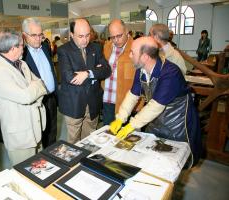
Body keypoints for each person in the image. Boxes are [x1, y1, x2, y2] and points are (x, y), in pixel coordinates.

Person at [110, 37, 201, 166]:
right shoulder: (141, 69)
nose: (130, 55)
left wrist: (132, 125)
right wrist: (120, 118)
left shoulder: (170, 73)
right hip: (155, 120)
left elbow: (155, 106)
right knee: (150, 159)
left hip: (177, 124)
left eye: (132, 52)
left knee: (172, 163)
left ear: (145, 57)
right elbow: (133, 95)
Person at [0, 29, 47, 165]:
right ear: (13, 48)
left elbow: (41, 84)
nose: (23, 49)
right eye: (22, 46)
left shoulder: (21, 63)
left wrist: (34, 89)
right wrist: (34, 88)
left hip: (35, 126)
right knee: (25, 174)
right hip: (20, 135)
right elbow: (26, 96)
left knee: (40, 169)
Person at [57, 18, 111, 144]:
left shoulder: (96, 48)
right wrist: (95, 72)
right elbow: (70, 77)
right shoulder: (64, 51)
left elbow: (107, 70)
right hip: (74, 103)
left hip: (92, 102)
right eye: (81, 36)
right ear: (71, 35)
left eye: (87, 35)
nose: (85, 40)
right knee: (74, 142)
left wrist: (87, 73)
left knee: (90, 140)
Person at [22, 18, 58, 148]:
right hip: (36, 101)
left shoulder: (46, 47)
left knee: (52, 132)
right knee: (39, 137)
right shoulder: (22, 54)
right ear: (24, 35)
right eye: (34, 35)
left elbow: (51, 71)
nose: (38, 39)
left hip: (51, 97)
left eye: (40, 34)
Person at [102, 19, 137, 125]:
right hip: (108, 99)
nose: (116, 40)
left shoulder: (136, 48)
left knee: (125, 138)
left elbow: (141, 78)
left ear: (126, 31)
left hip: (126, 103)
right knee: (108, 134)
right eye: (112, 37)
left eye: (119, 36)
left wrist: (139, 105)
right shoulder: (107, 47)